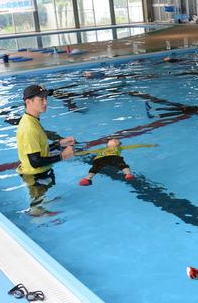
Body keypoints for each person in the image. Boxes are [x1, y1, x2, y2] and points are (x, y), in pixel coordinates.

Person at [16, 85, 75, 216]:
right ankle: (39, 217)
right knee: (36, 206)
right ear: (28, 102)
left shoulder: (31, 120)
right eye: (41, 99)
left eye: (46, 98)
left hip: (36, 174)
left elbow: (37, 148)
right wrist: (62, 156)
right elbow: (35, 162)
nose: (45, 102)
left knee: (41, 196)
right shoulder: (29, 128)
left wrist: (58, 143)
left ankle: (41, 206)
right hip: (34, 176)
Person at [76, 139, 154, 186]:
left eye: (114, 140)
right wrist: (149, 145)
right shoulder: (119, 148)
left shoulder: (102, 149)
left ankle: (87, 179)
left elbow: (89, 151)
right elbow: (136, 146)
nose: (112, 139)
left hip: (99, 159)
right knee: (122, 165)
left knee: (94, 168)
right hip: (113, 157)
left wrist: (77, 154)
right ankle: (128, 174)